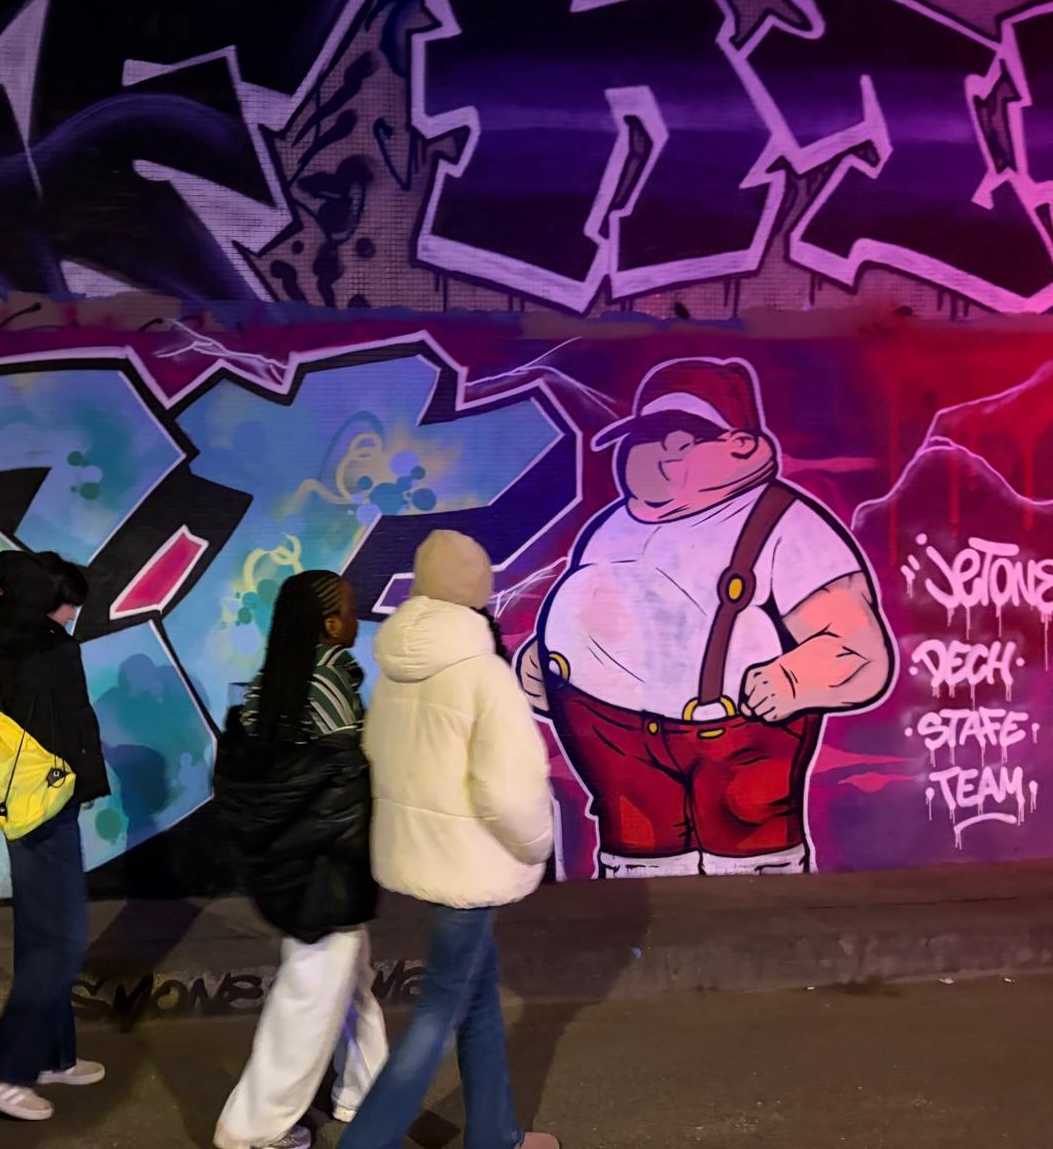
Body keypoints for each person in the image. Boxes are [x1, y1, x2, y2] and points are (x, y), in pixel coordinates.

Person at [519, 357, 892, 877]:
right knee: (639, 872)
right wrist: (547, 660)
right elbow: (591, 607)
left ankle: (760, 926)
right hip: (613, 738)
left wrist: (793, 680)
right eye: (645, 439)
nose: (656, 454)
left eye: (679, 440)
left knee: (748, 871)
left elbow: (858, 650)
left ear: (740, 445)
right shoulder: (611, 527)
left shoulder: (784, 524)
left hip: (737, 740)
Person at [342, 531, 559, 1149]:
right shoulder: (483, 675)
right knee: (438, 1011)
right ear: (478, 590)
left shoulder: (395, 670)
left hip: (422, 855)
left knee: (476, 995)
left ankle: (495, 1133)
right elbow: (509, 790)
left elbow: (377, 753)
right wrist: (535, 846)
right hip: (471, 863)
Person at [213, 571, 388, 1149]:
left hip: (285, 862)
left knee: (350, 979)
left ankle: (365, 1092)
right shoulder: (331, 679)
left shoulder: (267, 686)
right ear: (330, 624)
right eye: (350, 609)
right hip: (326, 865)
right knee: (309, 995)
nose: (356, 619)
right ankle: (251, 1128)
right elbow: (347, 782)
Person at [0, 549, 111, 1122]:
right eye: (68, 604)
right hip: (40, 806)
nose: (73, 616)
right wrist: (42, 587)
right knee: (61, 941)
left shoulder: (30, 637)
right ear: (42, 599)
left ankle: (49, 1055)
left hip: (50, 799)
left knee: (44, 936)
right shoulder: (19, 633)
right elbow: (10, 567)